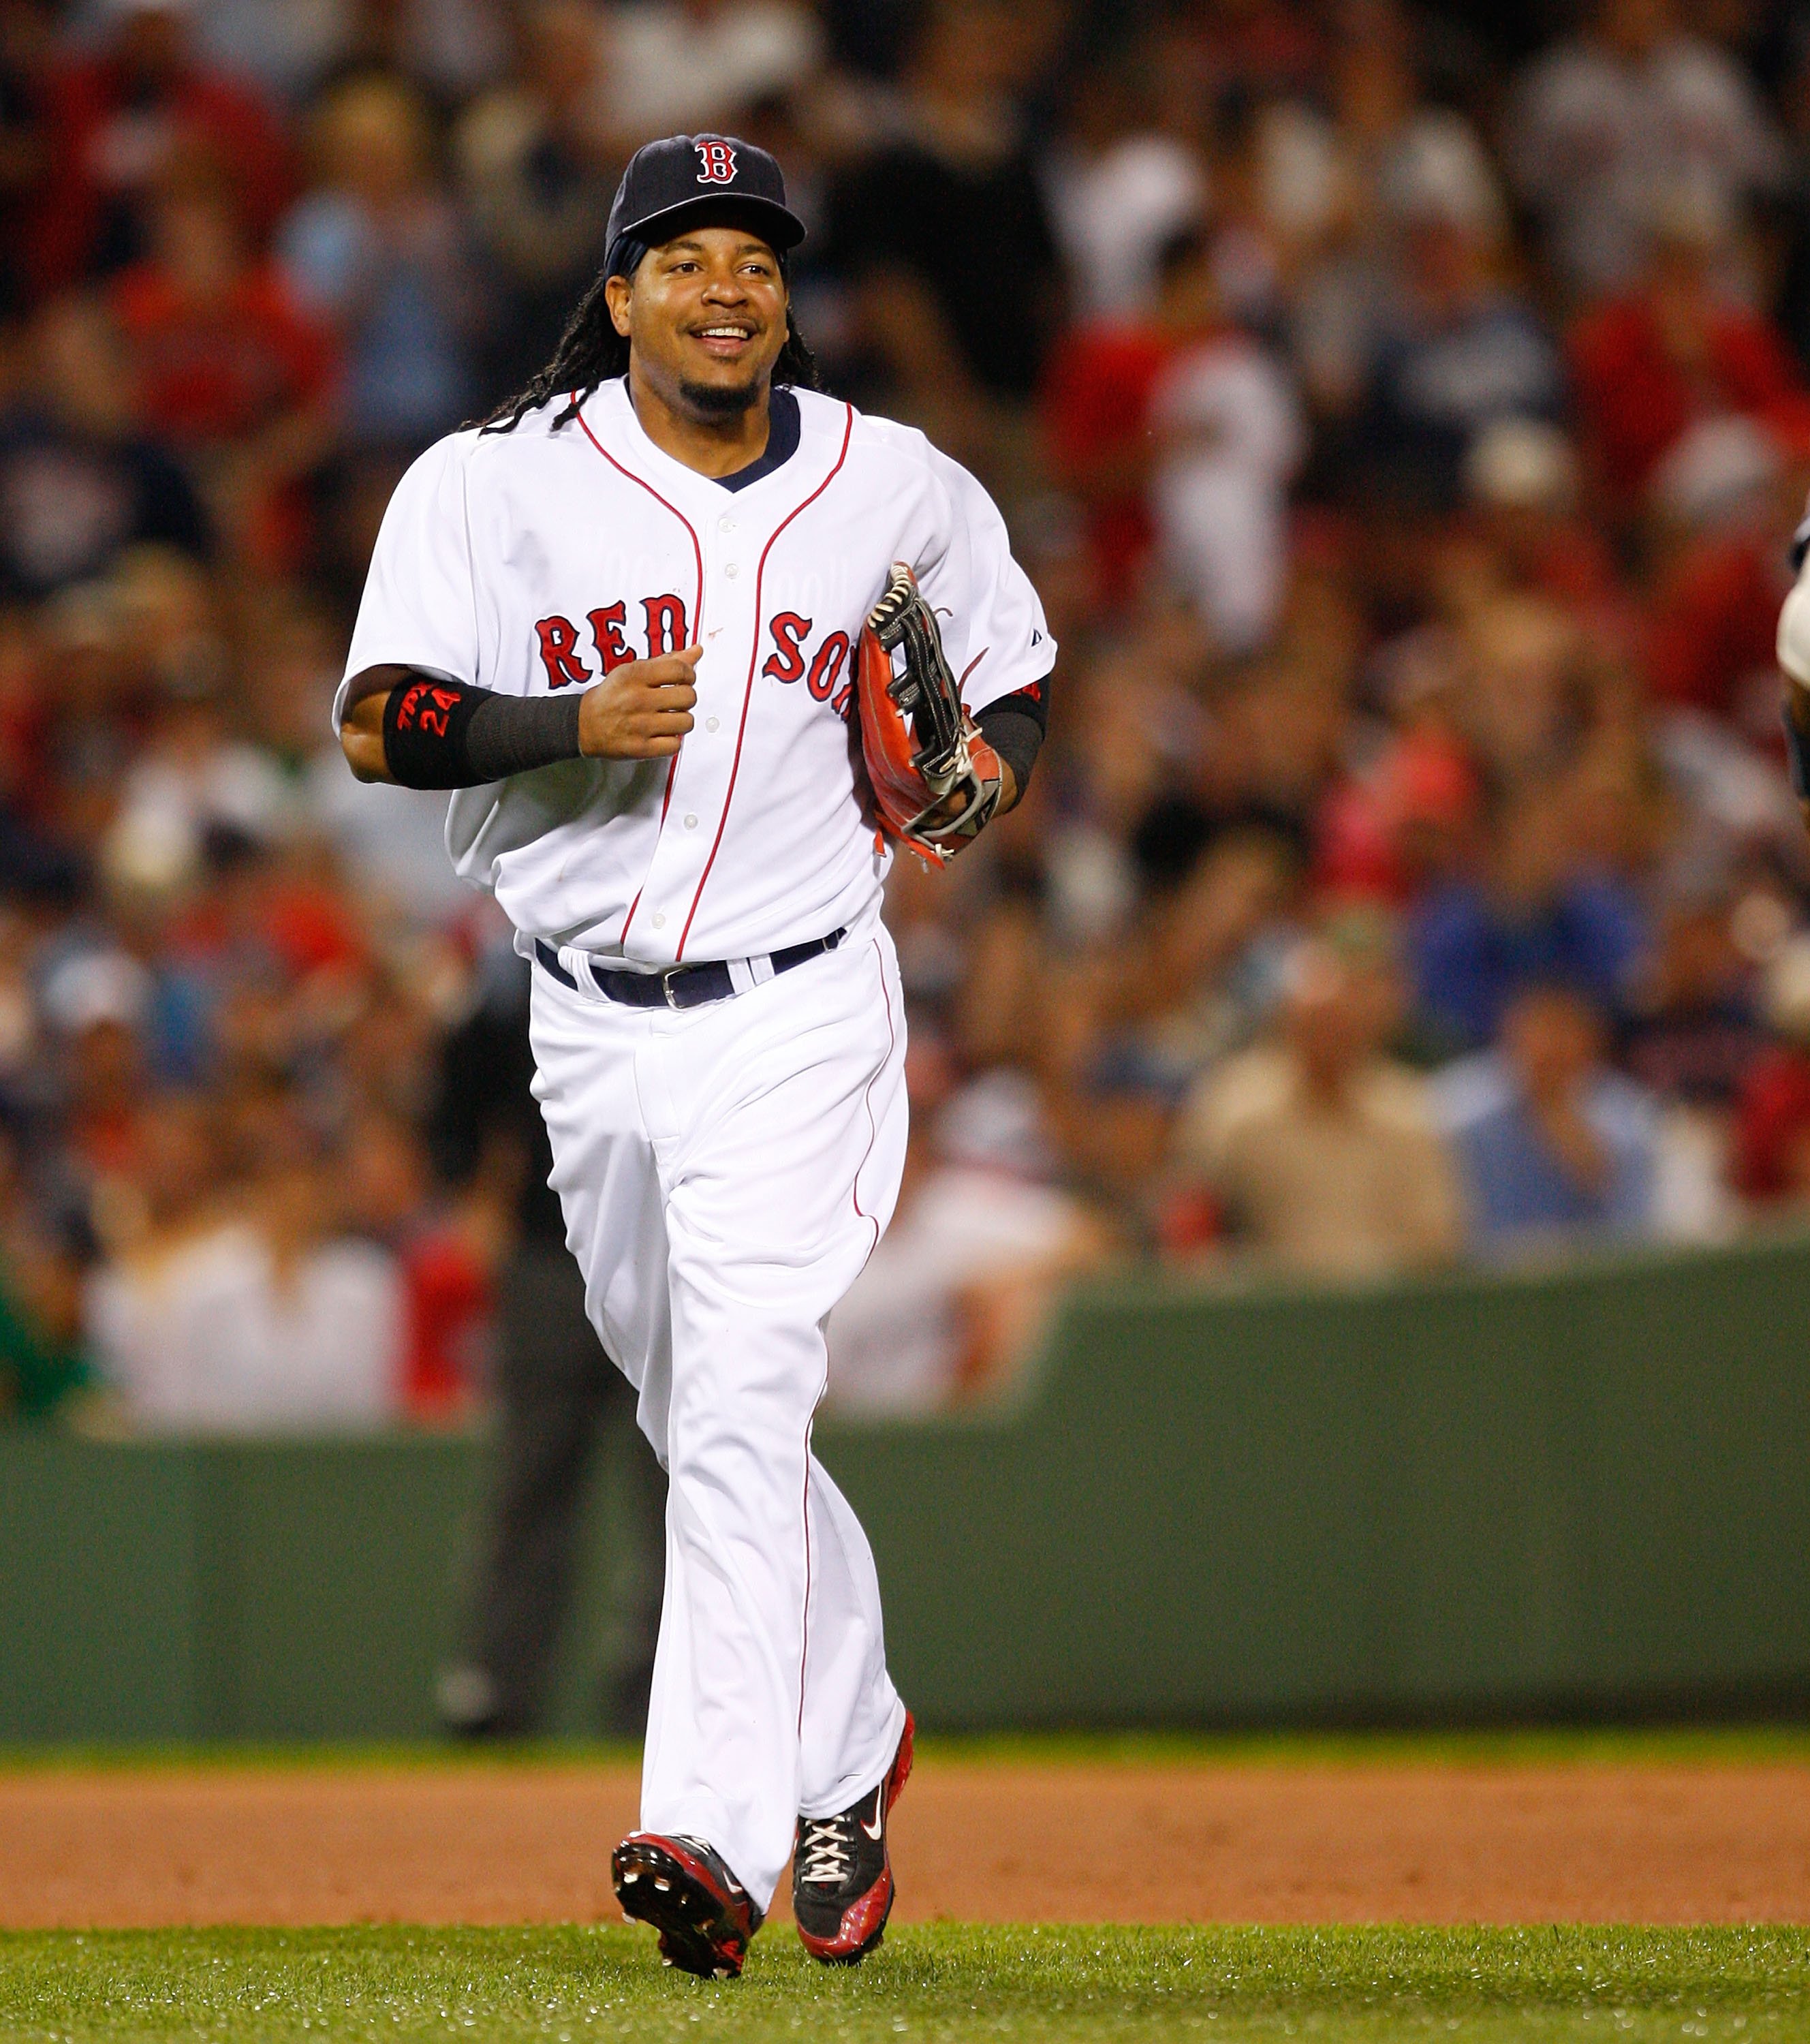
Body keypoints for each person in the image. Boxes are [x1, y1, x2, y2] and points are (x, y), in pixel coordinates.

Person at [333, 133, 1052, 1975]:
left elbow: (1013, 674)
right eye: (685, 254)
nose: (727, 282)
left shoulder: (887, 479)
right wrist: (560, 718)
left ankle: (708, 1833)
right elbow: (379, 722)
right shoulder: (492, 488)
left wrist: (984, 777)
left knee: (736, 1405)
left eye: (755, 254)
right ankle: (853, 1740)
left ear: (783, 295)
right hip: (585, 1025)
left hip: (804, 1004)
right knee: (703, 1420)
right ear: (622, 292)